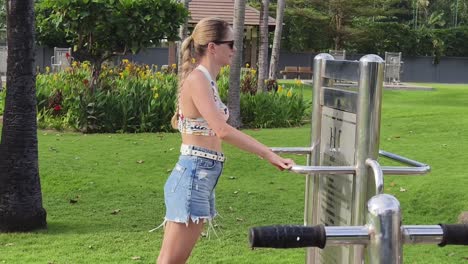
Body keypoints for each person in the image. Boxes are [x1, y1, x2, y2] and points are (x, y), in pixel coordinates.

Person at [156, 17, 295, 264]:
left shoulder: (206, 80)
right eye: (230, 43)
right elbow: (222, 130)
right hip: (194, 174)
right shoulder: (198, 79)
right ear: (212, 46)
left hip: (201, 174)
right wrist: (268, 154)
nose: (234, 49)